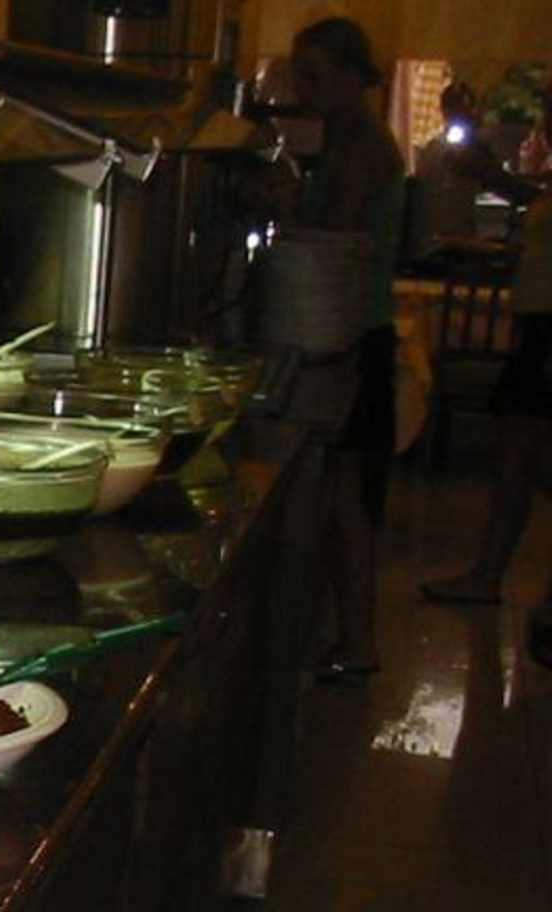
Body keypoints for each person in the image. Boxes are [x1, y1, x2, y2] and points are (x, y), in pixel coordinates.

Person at [290, 18, 407, 682]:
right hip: (348, 331)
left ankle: (359, 642)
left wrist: (283, 206)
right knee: (340, 495)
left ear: (348, 75)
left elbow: (332, 238)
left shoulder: (363, 147)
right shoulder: (344, 138)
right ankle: (345, 634)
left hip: (358, 337)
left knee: (347, 499)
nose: (303, 91)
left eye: (313, 76)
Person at [420, 185, 552, 670]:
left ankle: (494, 576)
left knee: (525, 454)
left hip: (547, 330)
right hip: (537, 327)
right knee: (516, 454)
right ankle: (489, 574)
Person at [411, 82, 537, 259]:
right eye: (453, 108)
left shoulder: (479, 147)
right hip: (436, 240)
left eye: (464, 110)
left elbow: (495, 179)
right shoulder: (432, 150)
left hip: (462, 237)